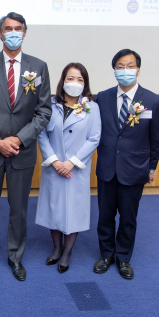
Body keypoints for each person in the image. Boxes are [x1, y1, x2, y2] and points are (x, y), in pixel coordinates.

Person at [0, 12, 52, 282]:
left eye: (18, 28)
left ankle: (15, 257)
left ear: (25, 33)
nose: (13, 32)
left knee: (19, 210)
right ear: (0, 32)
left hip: (22, 152)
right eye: (8, 28)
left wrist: (18, 139)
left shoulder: (38, 67)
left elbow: (43, 112)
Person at [94, 49, 159, 280]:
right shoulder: (102, 98)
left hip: (134, 170)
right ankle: (106, 254)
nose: (126, 70)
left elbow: (155, 139)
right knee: (104, 216)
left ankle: (123, 257)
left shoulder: (152, 100)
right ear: (114, 70)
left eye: (130, 66)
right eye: (120, 66)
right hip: (106, 167)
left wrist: (151, 167)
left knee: (128, 217)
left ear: (138, 69)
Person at [35, 63, 101, 274]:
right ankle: (56, 248)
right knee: (54, 209)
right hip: (53, 167)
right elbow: (41, 134)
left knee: (73, 210)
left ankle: (67, 252)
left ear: (85, 84)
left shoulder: (92, 107)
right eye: (70, 78)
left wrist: (71, 162)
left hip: (76, 169)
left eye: (80, 80)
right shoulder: (50, 104)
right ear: (63, 81)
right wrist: (55, 161)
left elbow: (94, 138)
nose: (75, 83)